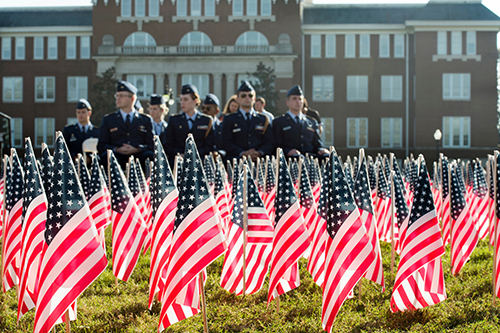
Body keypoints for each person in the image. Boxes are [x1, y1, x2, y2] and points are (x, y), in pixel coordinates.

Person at [97, 81, 154, 169]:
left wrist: (137, 149)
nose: (118, 99)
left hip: (138, 156)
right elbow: (102, 145)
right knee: (106, 157)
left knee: (149, 156)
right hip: (117, 156)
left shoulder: (145, 120)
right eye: (117, 95)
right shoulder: (109, 119)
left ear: (132, 99)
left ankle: (147, 182)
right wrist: (117, 149)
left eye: (122, 96)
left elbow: (151, 145)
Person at [221, 81, 274, 161]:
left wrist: (259, 153)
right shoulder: (229, 119)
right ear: (237, 99)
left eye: (250, 95)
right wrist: (242, 153)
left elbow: (270, 142)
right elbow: (225, 143)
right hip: (237, 162)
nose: (247, 98)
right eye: (243, 95)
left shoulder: (263, 119)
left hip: (259, 162)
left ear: (254, 99)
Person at [164, 84, 215, 165]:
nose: (182, 103)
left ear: (195, 101)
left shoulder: (206, 120)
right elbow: (168, 144)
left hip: (200, 160)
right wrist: (179, 154)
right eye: (181, 99)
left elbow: (209, 145)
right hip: (178, 161)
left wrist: (194, 155)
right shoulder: (174, 120)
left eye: (185, 99)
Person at [273, 85, 328, 159]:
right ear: (288, 102)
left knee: (327, 157)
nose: (298, 101)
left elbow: (317, 145)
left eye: (300, 99)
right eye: (294, 99)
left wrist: (321, 150)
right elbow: (275, 146)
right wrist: (287, 151)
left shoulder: (311, 122)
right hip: (291, 161)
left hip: (310, 160)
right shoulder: (279, 122)